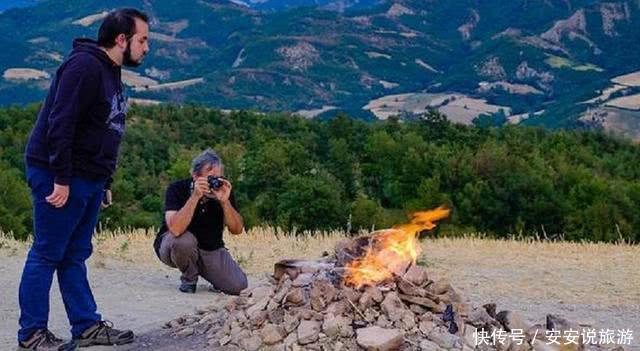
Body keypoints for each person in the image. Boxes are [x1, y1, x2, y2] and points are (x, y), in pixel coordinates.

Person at [18, 8, 149, 351]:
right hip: (59, 173)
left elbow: (104, 130)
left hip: (87, 177)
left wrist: (104, 182)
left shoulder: (109, 71)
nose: (146, 48)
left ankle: (86, 326)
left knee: (75, 254)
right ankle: (32, 335)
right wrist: (60, 178)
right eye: (142, 40)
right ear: (121, 39)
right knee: (47, 253)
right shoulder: (84, 67)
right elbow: (60, 124)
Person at [154, 149, 248, 295]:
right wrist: (195, 197)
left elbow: (237, 230)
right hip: (173, 246)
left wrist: (225, 202)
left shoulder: (223, 192)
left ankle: (212, 277)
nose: (214, 183)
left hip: (209, 248)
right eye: (210, 178)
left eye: (218, 178)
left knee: (239, 286)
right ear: (195, 176)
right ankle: (189, 279)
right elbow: (175, 229)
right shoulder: (177, 189)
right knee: (184, 241)